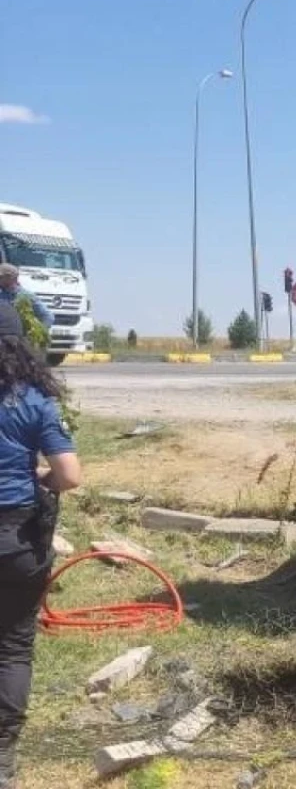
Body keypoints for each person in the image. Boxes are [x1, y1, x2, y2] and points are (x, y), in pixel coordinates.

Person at [0, 301, 79, 788]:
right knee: (12, 647)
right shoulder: (32, 399)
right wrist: (40, 480)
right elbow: (69, 475)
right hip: (17, 539)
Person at [0, 267, 52, 333]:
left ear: (10, 278)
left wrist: (39, 332)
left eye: (1, 277)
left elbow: (47, 316)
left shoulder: (26, 296)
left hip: (21, 339)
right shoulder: (1, 295)